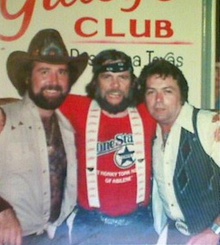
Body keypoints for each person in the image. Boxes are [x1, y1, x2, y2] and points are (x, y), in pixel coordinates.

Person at [60, 49, 158, 244]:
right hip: (90, 225)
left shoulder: (149, 111)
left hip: (140, 224)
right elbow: (33, 103)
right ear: (96, 82)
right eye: (107, 77)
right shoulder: (77, 107)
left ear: (133, 82)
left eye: (123, 77)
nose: (115, 85)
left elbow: (182, 112)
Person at [0, 28, 88, 245]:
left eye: (61, 72)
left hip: (55, 236)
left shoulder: (69, 128)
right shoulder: (4, 117)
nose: (54, 80)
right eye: (44, 71)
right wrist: (2, 210)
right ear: (28, 78)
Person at [137, 58, 220, 245]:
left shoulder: (208, 125)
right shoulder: (152, 134)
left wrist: (215, 230)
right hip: (177, 236)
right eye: (151, 92)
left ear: (181, 96)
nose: (158, 100)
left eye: (167, 91)